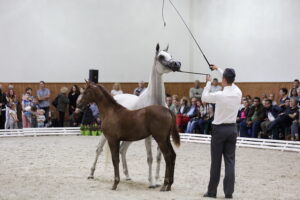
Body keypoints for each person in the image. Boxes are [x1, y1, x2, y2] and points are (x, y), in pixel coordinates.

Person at [202, 65, 242, 199]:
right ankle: (228, 192)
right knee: (230, 161)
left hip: (219, 130)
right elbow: (230, 82)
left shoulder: (220, 95)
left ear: (223, 79)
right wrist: (218, 69)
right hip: (232, 129)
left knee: (216, 162)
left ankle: (212, 192)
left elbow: (204, 97)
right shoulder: (238, 92)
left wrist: (208, 82)